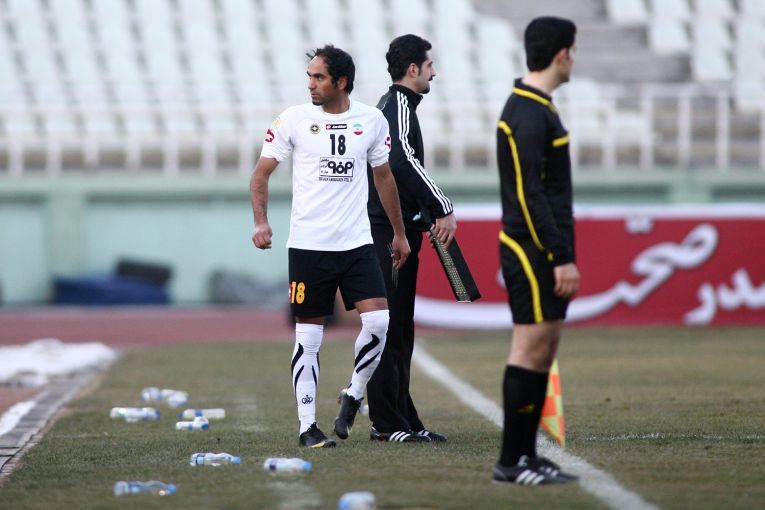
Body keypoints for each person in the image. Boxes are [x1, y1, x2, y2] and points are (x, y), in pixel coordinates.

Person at [250, 45, 411, 448]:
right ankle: (307, 427)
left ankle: (353, 394)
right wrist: (261, 222)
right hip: (308, 248)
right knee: (309, 338)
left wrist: (399, 232)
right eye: (309, 76)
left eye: (319, 77)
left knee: (379, 323)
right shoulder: (293, 119)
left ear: (341, 82)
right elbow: (261, 174)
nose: (311, 84)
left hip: (356, 244)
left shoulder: (371, 120)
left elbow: (384, 178)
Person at [493, 17, 580, 484]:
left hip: (542, 247)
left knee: (543, 350)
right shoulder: (526, 112)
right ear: (562, 54)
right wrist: (559, 254)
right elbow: (530, 197)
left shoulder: (539, 107)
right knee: (529, 348)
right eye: (573, 51)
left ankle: (527, 455)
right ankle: (512, 461)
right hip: (530, 250)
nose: (574, 59)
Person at [365, 34, 456, 443]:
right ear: (413, 68)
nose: (434, 72)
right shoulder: (398, 105)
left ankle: (403, 418)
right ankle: (387, 423)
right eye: (430, 65)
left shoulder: (395, 105)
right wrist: (441, 205)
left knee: (399, 329)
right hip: (387, 234)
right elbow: (401, 159)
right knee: (390, 328)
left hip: (393, 230)